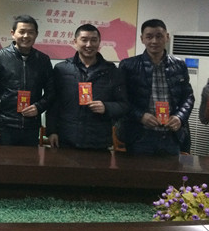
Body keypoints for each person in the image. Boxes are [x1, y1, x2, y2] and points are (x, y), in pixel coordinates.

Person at [46, 23, 128, 150]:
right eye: (84, 40)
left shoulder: (112, 71)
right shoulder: (61, 69)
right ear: (75, 42)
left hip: (98, 141)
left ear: (99, 43)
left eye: (94, 40)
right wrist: (51, 131)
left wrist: (106, 107)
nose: (89, 45)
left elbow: (124, 105)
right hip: (66, 139)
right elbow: (53, 103)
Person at [118, 19, 193, 156]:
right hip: (139, 135)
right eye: (149, 36)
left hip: (171, 135)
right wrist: (140, 116)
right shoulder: (128, 65)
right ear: (142, 39)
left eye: (159, 36)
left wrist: (180, 117)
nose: (154, 41)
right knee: (139, 170)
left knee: (171, 170)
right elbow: (121, 99)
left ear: (167, 37)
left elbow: (188, 97)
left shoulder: (179, 65)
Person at [0, 15, 55, 146]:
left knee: (29, 159)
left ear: (36, 34)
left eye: (30, 32)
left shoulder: (43, 60)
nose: (26, 36)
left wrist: (38, 107)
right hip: (5, 126)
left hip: (31, 126)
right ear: (13, 33)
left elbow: (52, 92)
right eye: (22, 31)